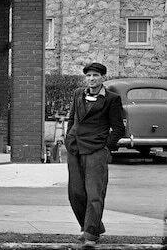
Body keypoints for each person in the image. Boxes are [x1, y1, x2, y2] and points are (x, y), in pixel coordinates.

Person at [65, 62, 125, 249]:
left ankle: (90, 233)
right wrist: (69, 138)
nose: (91, 79)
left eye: (95, 76)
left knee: (94, 194)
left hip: (96, 150)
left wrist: (105, 147)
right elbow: (72, 118)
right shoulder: (77, 94)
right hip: (75, 148)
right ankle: (92, 226)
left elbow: (118, 129)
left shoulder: (111, 99)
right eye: (88, 76)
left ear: (103, 78)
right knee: (75, 193)